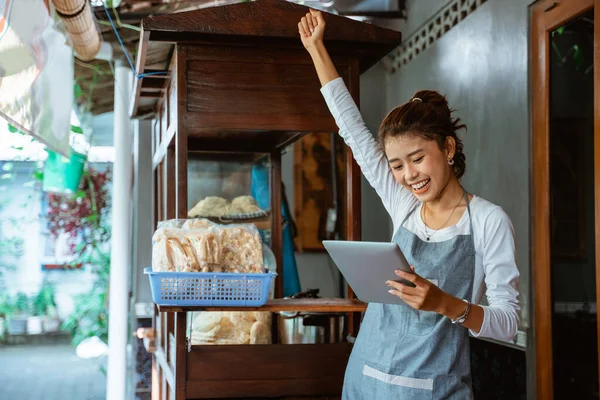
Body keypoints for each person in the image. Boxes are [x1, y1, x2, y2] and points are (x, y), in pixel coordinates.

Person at [298, 9, 520, 399]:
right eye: (397, 165)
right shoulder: (404, 206)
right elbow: (351, 130)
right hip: (365, 380)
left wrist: (446, 304)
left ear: (447, 147)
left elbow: (507, 321)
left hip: (433, 389)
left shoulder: (488, 221)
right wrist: (316, 48)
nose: (408, 175)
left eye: (417, 159)